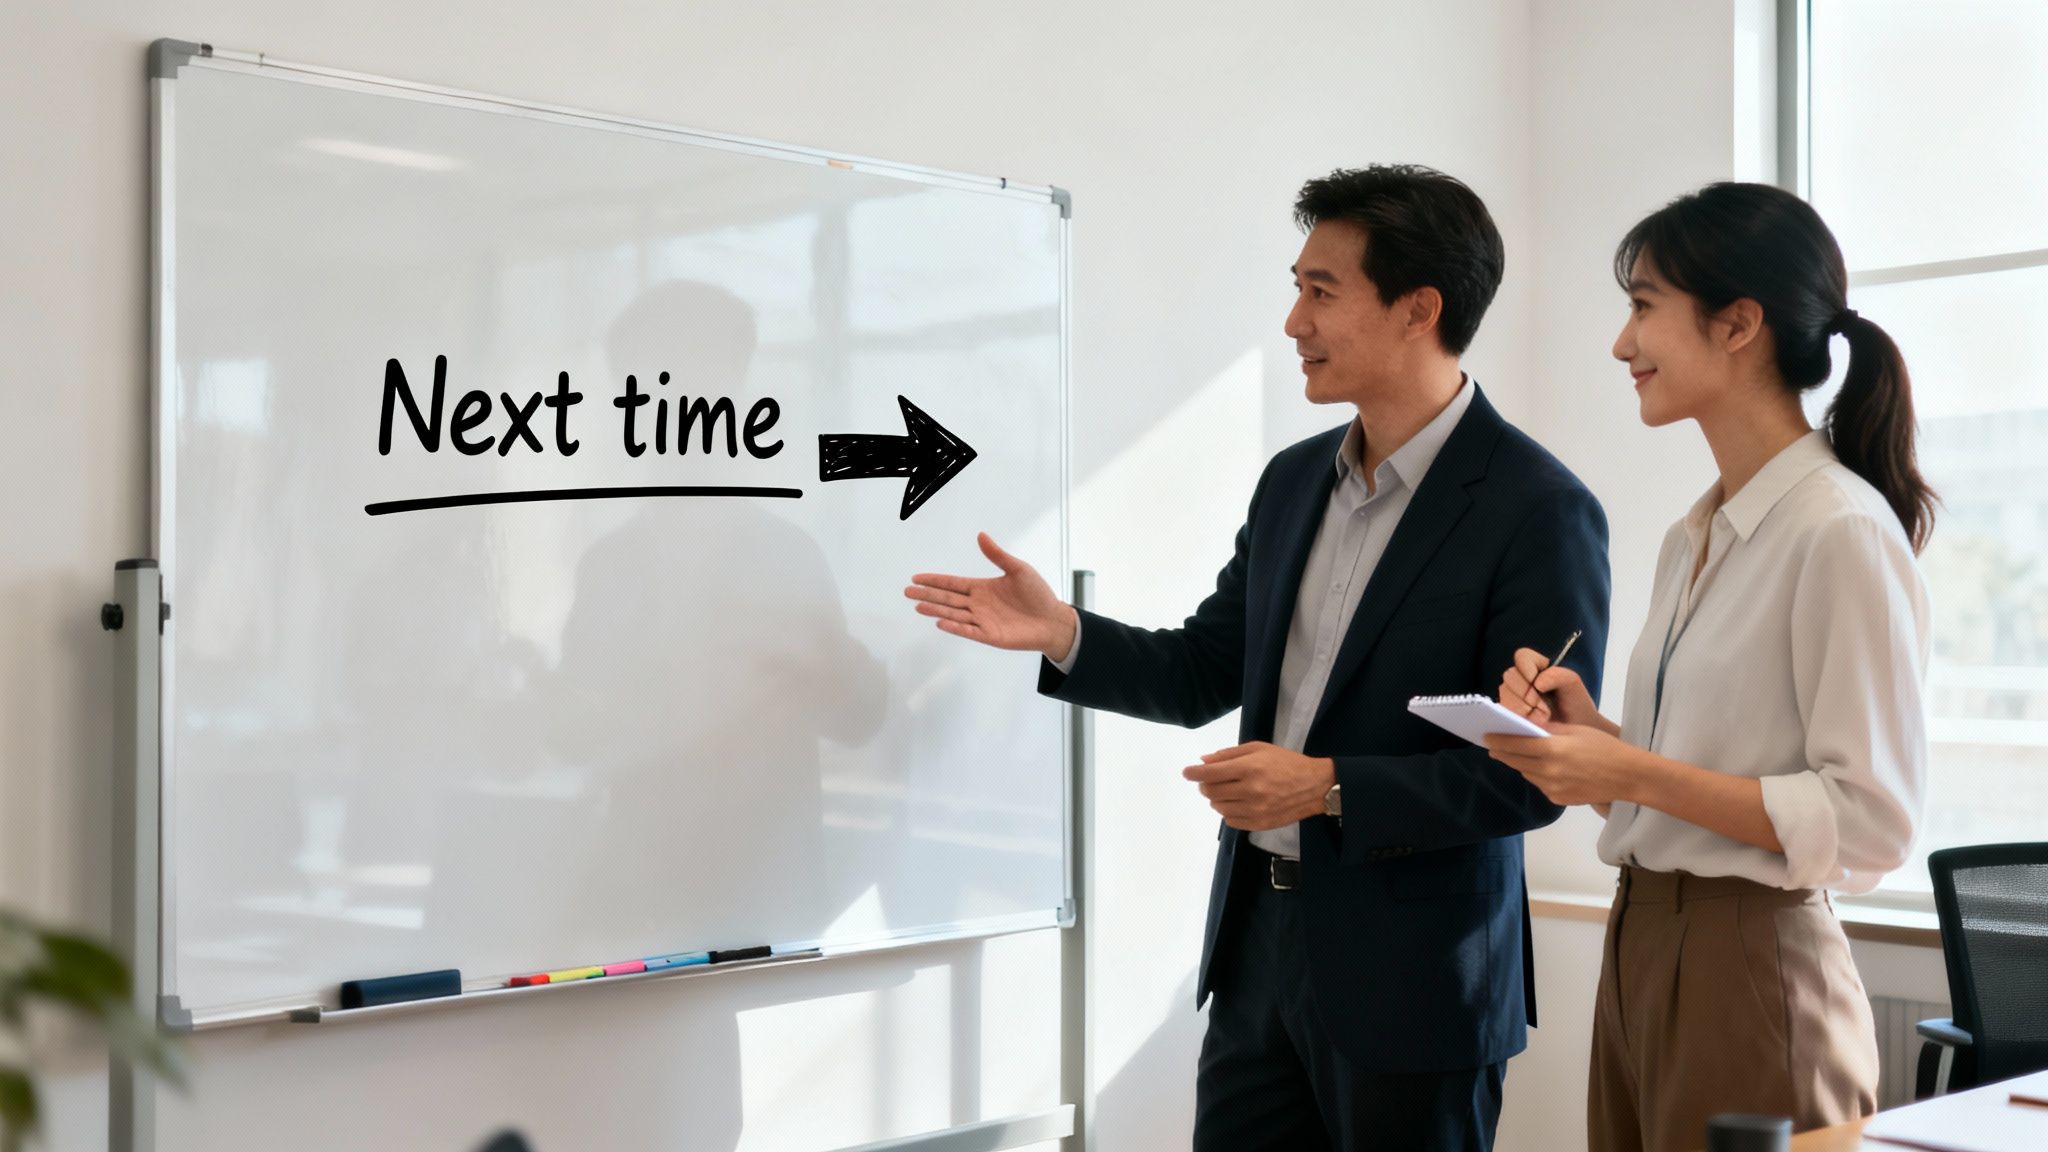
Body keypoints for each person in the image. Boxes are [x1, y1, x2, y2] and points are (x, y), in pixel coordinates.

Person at [907, 164, 1610, 1151]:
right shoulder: (1292, 482)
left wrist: (1327, 788)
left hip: (1415, 981)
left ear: (1418, 309)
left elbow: (1533, 776)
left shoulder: (1536, 508)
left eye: (1321, 291)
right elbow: (1205, 669)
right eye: (1297, 287)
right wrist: (1065, 632)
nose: (1293, 321)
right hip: (1256, 957)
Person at [1484, 182, 1934, 1150]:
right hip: (1641, 941)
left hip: (1751, 960)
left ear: (1737, 325)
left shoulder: (1838, 530)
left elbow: (1868, 820)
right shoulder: (1695, 534)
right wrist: (1594, 744)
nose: (1621, 344)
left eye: (1643, 306)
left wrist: (1629, 771)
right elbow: (1704, 778)